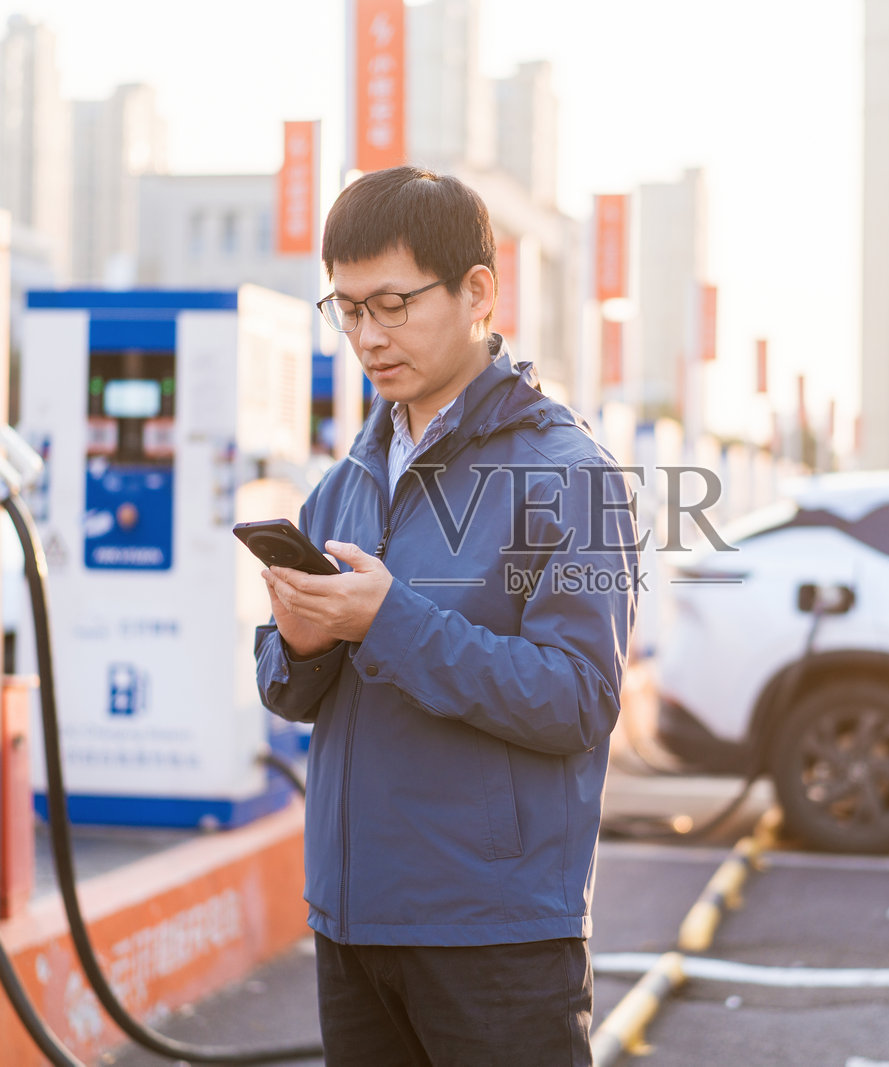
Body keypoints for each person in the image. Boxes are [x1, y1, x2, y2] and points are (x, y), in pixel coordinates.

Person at [254, 165, 639, 1067]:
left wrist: (389, 621)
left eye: (392, 303)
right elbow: (287, 683)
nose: (368, 336)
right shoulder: (346, 482)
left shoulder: (570, 473)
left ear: (477, 292)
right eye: (347, 310)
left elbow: (579, 698)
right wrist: (303, 647)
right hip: (352, 921)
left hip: (494, 939)